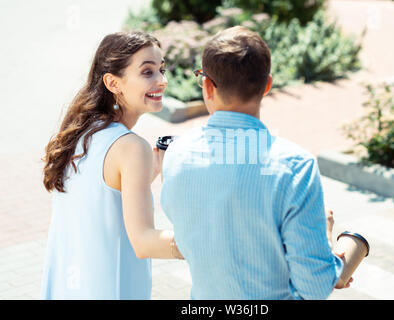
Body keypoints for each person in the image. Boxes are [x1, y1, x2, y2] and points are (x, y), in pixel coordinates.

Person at [160, 26, 349, 300]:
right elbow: (315, 288)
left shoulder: (176, 153)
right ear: (268, 85)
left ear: (208, 85)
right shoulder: (297, 166)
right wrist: (329, 244)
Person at [40, 31, 183, 300]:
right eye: (148, 72)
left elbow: (98, 198)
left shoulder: (79, 133)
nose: (162, 81)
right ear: (113, 82)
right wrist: (211, 238)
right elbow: (143, 242)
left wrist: (145, 174)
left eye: (161, 70)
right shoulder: (131, 147)